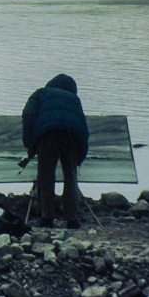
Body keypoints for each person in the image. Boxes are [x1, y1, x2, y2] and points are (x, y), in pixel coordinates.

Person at [21, 73, 89, 228]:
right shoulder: (74, 99)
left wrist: (30, 144)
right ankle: (72, 219)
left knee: (45, 176)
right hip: (72, 136)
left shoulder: (41, 93)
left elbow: (28, 115)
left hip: (47, 136)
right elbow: (83, 128)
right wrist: (80, 156)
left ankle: (47, 218)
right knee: (71, 176)